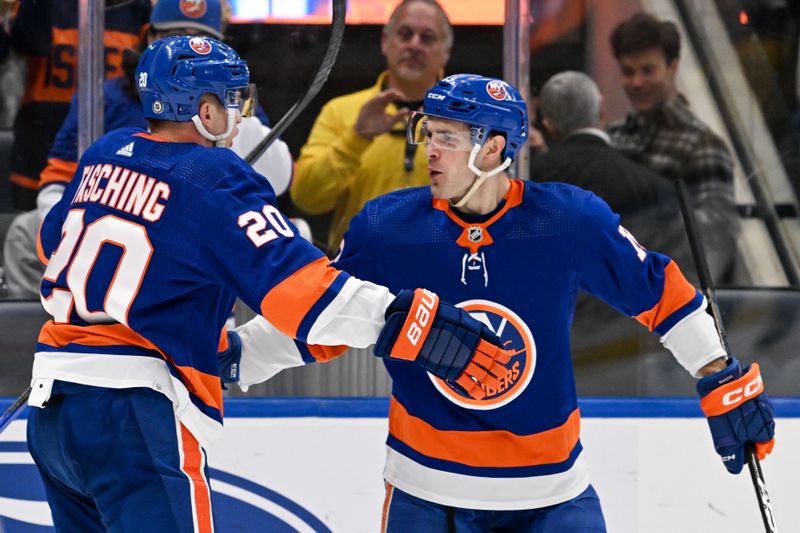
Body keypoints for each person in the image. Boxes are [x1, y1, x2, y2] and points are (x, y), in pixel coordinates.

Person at [244, 74, 776, 531]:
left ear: (495, 148)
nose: (429, 149)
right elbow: (322, 315)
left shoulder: (566, 221)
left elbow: (658, 293)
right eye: (428, 133)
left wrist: (719, 373)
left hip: (551, 496)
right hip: (426, 494)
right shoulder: (387, 229)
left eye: (447, 137)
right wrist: (237, 353)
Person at [25, 36, 511, 531]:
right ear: (205, 112)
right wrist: (420, 328)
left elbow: (52, 245)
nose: (241, 118)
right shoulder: (214, 175)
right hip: (133, 414)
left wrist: (220, 343)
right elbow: (304, 293)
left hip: (53, 408)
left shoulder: (106, 152)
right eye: (235, 101)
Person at [2, 0, 294, 299]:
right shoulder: (106, 98)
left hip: (195, 227)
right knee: (26, 231)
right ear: (151, 38)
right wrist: (76, 229)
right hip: (114, 219)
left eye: (203, 42)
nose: (190, 55)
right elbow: (61, 176)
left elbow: (279, 178)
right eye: (177, 37)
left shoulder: (231, 101)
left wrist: (230, 108)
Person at [290, 0, 453, 253]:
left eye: (428, 38)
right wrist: (356, 138)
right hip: (356, 275)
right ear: (385, 42)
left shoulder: (465, 119)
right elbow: (306, 198)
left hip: (444, 269)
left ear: (445, 52)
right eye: (405, 34)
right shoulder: (341, 111)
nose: (414, 45)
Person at [607, 11, 739, 283]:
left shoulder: (702, 145)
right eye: (628, 72)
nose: (636, 82)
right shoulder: (612, 138)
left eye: (648, 70)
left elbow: (715, 238)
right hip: (614, 299)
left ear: (673, 66)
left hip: (671, 299)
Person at [531, 70, 698, 282]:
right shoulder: (654, 187)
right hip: (628, 311)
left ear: (548, 125)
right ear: (601, 108)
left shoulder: (530, 182)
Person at [1, 0, 151, 210]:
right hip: (38, 149)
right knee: (29, 229)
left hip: (113, 160)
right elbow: (31, 44)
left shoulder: (137, 8)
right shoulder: (40, 6)